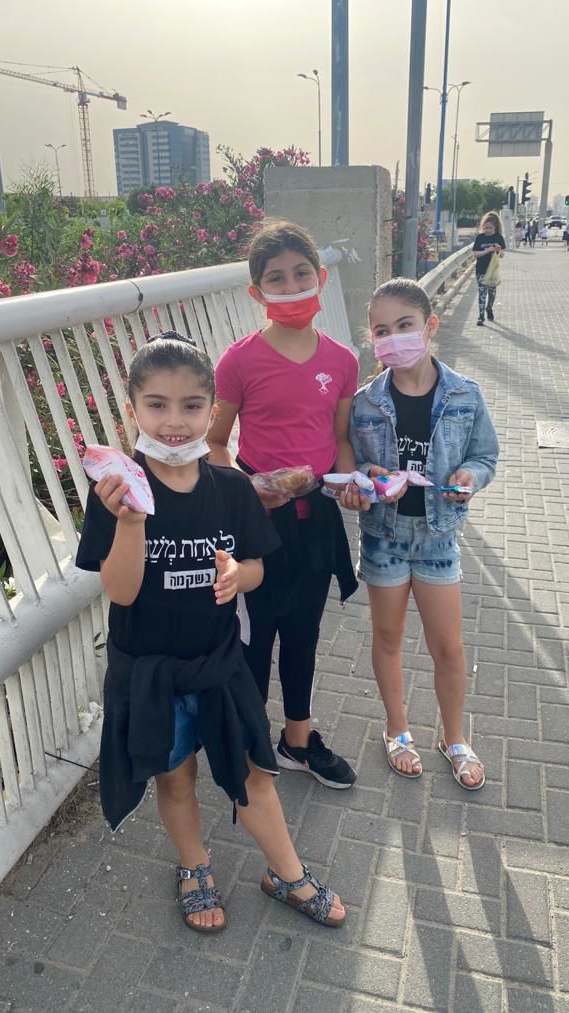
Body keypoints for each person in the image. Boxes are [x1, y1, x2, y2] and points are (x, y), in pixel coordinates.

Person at [76, 333, 346, 932]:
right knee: (177, 780)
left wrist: (239, 576)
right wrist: (130, 524)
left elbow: (258, 565)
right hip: (151, 669)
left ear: (212, 409)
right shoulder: (116, 493)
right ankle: (194, 866)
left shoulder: (230, 488)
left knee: (255, 771)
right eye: (157, 404)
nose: (174, 421)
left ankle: (287, 873)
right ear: (132, 408)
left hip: (220, 662)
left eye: (191, 405)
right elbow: (120, 592)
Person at [209, 220, 367, 790]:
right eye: (276, 278)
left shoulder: (343, 360)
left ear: (321, 278)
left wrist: (347, 483)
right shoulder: (238, 361)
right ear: (257, 292)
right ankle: (253, 742)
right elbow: (215, 443)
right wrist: (246, 486)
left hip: (317, 517)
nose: (292, 285)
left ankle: (297, 741)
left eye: (302, 273)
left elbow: (340, 438)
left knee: (304, 633)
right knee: (255, 635)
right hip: (259, 521)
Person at [348, 278, 499, 787]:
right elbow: (354, 466)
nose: (393, 339)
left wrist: (469, 477)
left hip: (438, 538)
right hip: (383, 537)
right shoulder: (364, 402)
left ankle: (454, 738)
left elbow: (485, 456)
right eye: (381, 331)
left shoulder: (465, 394)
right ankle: (397, 730)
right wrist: (365, 479)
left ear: (430, 326)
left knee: (448, 647)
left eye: (405, 325)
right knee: (388, 637)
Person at [472, 210, 506, 326]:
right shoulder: (480, 238)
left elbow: (502, 255)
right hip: (481, 270)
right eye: (485, 228)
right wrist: (487, 250)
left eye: (490, 228)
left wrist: (498, 250)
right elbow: (476, 254)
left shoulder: (499, 238)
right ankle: (481, 316)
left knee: (492, 294)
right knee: (482, 293)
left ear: (495, 227)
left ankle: (489, 308)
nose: (487, 230)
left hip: (492, 271)